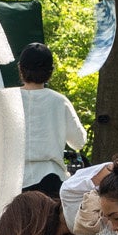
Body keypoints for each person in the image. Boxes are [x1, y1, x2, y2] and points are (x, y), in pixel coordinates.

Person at [18, 42, 86, 187]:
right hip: (50, 179)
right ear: (50, 71)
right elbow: (79, 141)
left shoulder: (7, 99)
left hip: (14, 180)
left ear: (20, 68)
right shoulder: (60, 101)